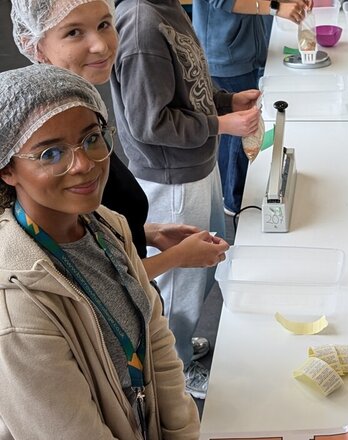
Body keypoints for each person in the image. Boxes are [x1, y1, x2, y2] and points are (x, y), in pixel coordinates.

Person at [10, 0, 230, 374]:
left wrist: (147, 231)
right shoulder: (40, 132)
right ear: (36, 44)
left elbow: (87, 236)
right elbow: (84, 279)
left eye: (105, 24)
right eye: (74, 32)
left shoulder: (79, 105)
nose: (102, 45)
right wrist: (177, 258)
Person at [0, 63, 199, 439]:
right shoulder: (16, 310)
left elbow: (156, 341)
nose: (84, 164)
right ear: (7, 170)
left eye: (92, 138)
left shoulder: (107, 226)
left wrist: (183, 431)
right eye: (50, 154)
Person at [111, 0, 261, 398]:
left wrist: (225, 102)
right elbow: (150, 123)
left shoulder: (169, 10)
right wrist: (221, 124)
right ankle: (172, 370)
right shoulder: (143, 25)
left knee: (201, 271)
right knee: (179, 285)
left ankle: (181, 341)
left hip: (196, 164)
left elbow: (190, 86)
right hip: (172, 178)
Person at [193, 0, 311, 216]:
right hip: (226, 52)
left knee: (236, 130)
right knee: (241, 129)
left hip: (247, 47)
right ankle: (236, 201)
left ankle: (229, 193)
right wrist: (276, 7)